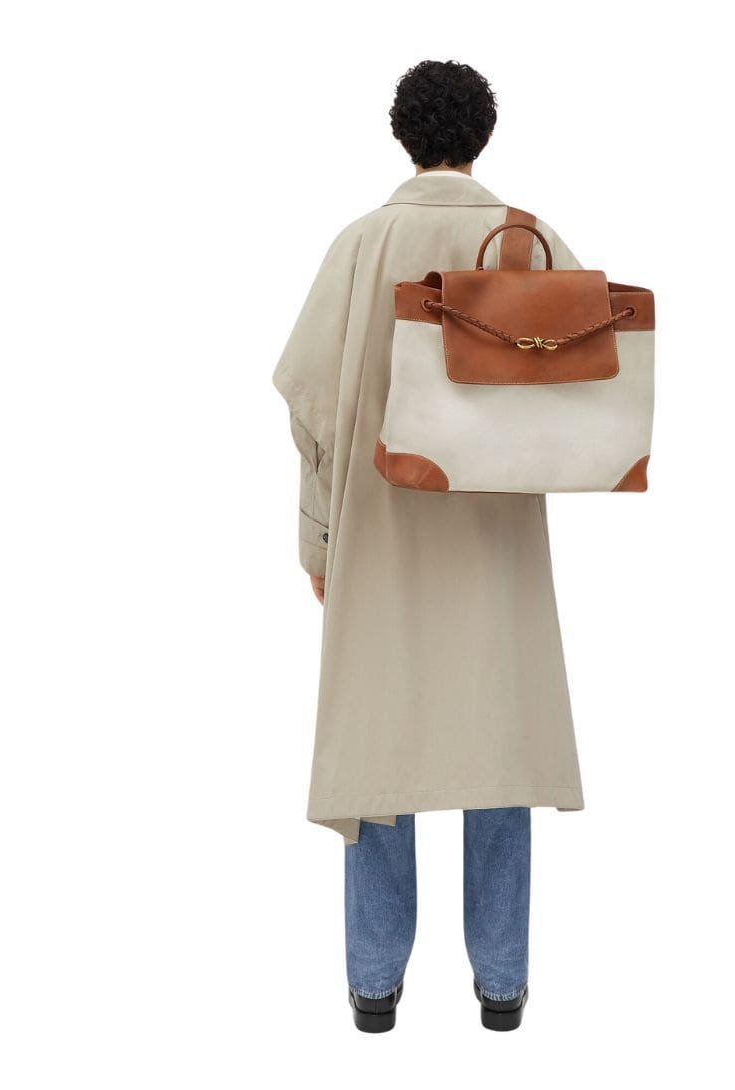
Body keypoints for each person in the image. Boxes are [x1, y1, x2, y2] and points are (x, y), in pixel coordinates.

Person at [272, 59, 586, 1032]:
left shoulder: (362, 244)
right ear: (481, 137)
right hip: (494, 533)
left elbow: (313, 410)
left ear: (403, 136)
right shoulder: (530, 241)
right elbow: (588, 373)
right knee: (500, 746)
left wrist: (319, 537)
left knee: (380, 748)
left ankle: (374, 986)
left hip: (384, 528)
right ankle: (502, 984)